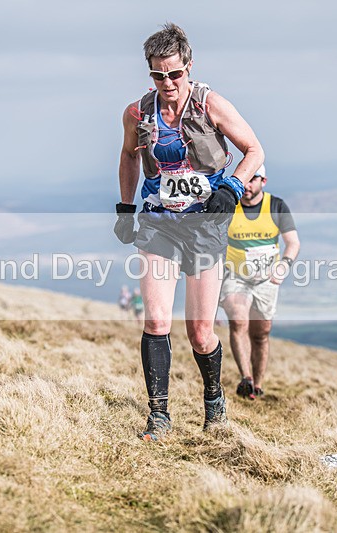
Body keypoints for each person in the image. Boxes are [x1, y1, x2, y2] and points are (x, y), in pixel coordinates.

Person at [114, 23, 264, 441]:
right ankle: (158, 417)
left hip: (203, 226)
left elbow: (255, 150)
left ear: (189, 67)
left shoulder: (211, 103)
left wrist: (232, 188)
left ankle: (214, 402)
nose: (167, 83)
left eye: (174, 74)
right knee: (156, 320)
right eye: (158, 75)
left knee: (200, 332)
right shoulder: (137, 113)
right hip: (159, 221)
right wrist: (126, 208)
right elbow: (128, 156)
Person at [219, 164, 300, 400]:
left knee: (261, 334)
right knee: (238, 321)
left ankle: (258, 384)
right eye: (244, 179)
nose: (247, 184)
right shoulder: (230, 207)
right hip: (236, 276)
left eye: (253, 179)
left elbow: (293, 243)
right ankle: (246, 378)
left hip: (266, 279)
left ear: (263, 181)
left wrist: (284, 264)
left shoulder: (276, 206)